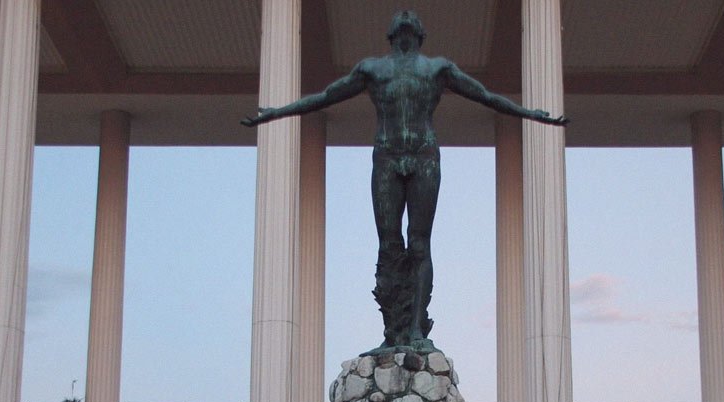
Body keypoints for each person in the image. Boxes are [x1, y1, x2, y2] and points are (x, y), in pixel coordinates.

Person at [242, 10, 567, 352]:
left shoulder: (437, 69)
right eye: (401, 19)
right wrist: (277, 113)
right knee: (388, 246)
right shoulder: (372, 70)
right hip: (387, 158)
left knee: (419, 243)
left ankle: (415, 330)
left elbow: (485, 96)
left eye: (411, 20)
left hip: (424, 156)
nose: (406, 18)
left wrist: (529, 114)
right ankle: (393, 331)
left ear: (420, 35)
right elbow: (325, 97)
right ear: (392, 34)